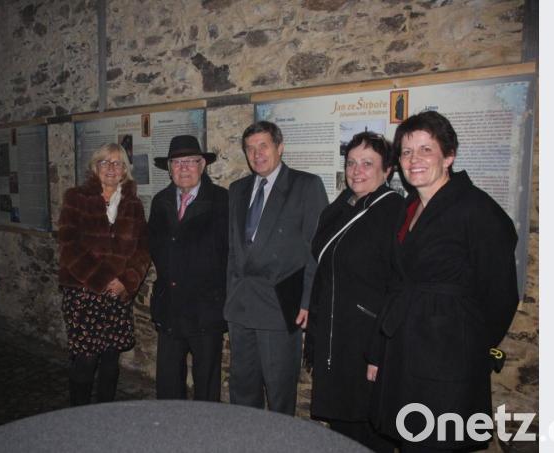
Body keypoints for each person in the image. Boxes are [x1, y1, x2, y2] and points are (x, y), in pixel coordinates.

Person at [367, 111, 519, 451]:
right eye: (406, 152)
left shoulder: (477, 210)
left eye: (425, 149)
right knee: (411, 441)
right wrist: (378, 352)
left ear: (448, 156)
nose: (414, 160)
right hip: (405, 350)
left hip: (448, 358)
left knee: (435, 443)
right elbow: (397, 282)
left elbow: (502, 295)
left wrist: (468, 352)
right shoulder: (410, 208)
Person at [305, 132, 403, 452]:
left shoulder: (393, 213)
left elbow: (397, 286)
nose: (357, 171)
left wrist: (380, 350)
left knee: (368, 427)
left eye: (367, 163)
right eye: (351, 163)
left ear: (387, 170)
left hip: (366, 340)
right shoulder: (340, 208)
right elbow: (324, 272)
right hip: (335, 335)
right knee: (341, 426)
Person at [225, 120, 328, 415]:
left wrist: (308, 301)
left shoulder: (306, 186)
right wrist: (230, 294)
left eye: (264, 146)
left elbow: (316, 250)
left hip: (280, 305)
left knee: (279, 389)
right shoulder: (238, 189)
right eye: (250, 148)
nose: (257, 154)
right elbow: (234, 250)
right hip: (241, 306)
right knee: (242, 387)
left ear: (280, 148)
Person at [57, 143, 150, 406]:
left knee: (110, 362)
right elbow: (68, 246)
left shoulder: (133, 205)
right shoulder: (76, 198)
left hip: (117, 294)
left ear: (125, 170)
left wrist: (127, 282)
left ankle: (106, 414)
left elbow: (143, 250)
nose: (111, 168)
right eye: (105, 162)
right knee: (85, 363)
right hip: (83, 294)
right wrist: (102, 280)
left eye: (117, 163)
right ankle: (79, 415)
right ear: (94, 167)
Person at [148, 135, 228, 401]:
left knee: (206, 385)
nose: (183, 168)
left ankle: (205, 437)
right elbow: (155, 246)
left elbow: (230, 255)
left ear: (202, 165)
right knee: (169, 385)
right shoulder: (160, 202)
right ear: (169, 168)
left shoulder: (221, 201)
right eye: (177, 162)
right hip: (170, 307)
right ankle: (172, 433)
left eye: (190, 161)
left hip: (205, 310)